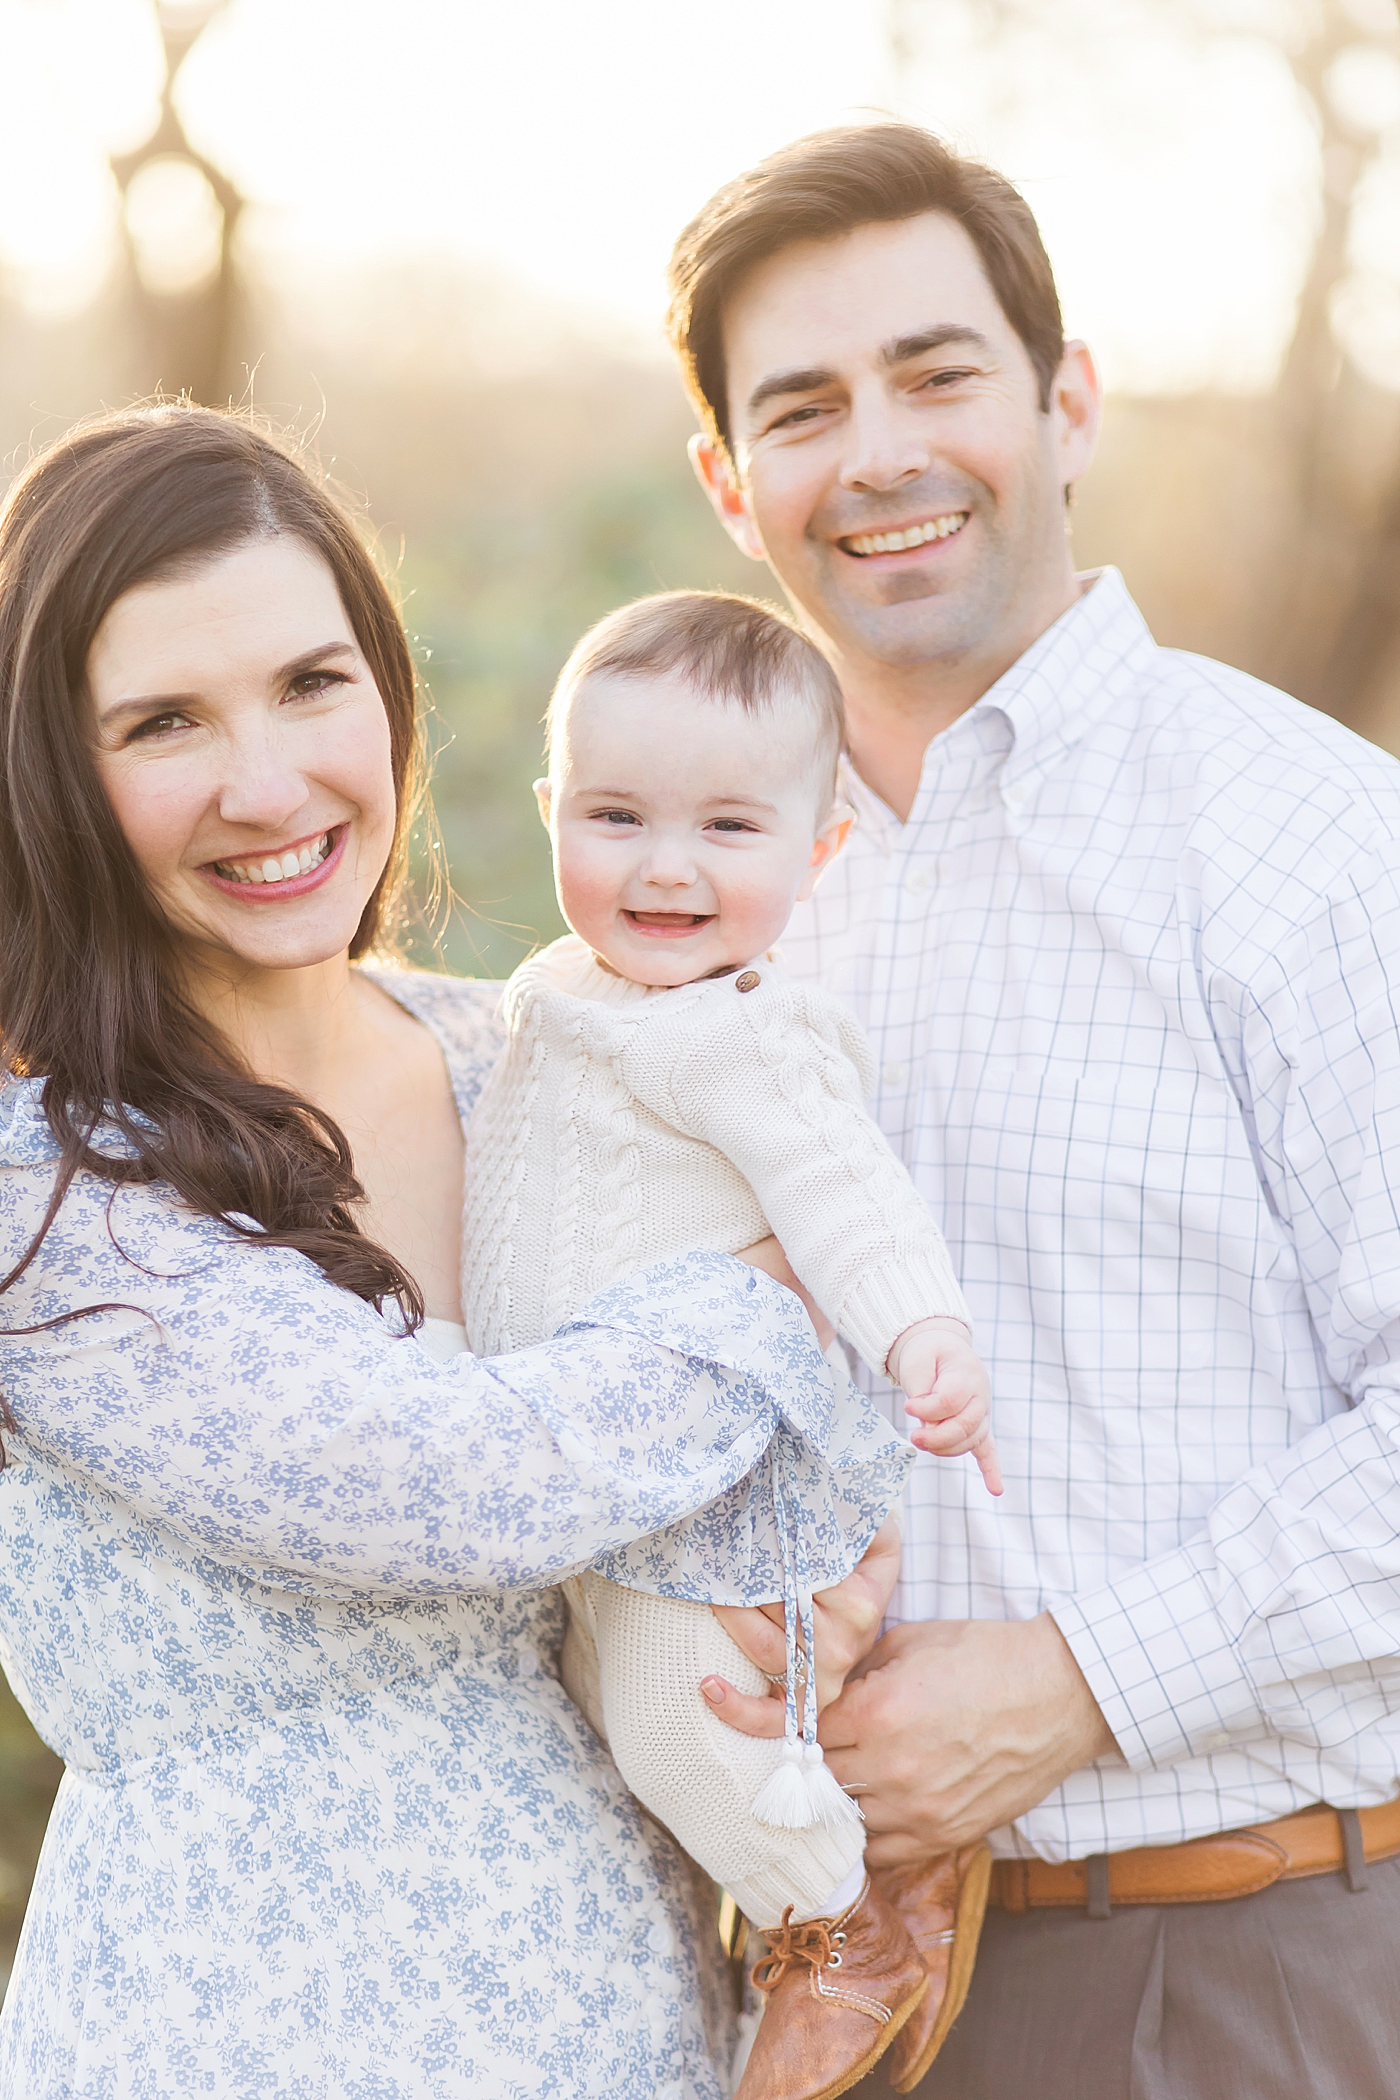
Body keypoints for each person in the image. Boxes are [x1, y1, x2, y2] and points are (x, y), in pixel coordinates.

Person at [0, 403, 892, 2100]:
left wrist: (797, 1601)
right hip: (243, 2043)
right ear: (55, 771)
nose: (270, 785)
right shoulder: (51, 1192)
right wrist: (774, 1308)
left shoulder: (534, 1058)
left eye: (312, 684)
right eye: (166, 720)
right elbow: (443, 1481)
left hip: (626, 2025)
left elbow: (772, 1478)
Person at [664, 122, 1400, 2098]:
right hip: (795, 2000)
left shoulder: (1315, 848)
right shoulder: (690, 911)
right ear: (734, 489)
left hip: (1221, 1972)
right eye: (803, 409)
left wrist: (1079, 1680)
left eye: (938, 373)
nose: (880, 450)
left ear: (1065, 402)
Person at [462, 586, 1000, 2099]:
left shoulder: (744, 1033)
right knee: (604, 1717)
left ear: (820, 847)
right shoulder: (556, 999)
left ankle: (851, 1912)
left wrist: (921, 1328)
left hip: (688, 1496)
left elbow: (845, 1190)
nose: (667, 869)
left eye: (728, 831)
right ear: (553, 808)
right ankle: (788, 1891)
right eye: (618, 817)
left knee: (663, 1720)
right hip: (581, 1474)